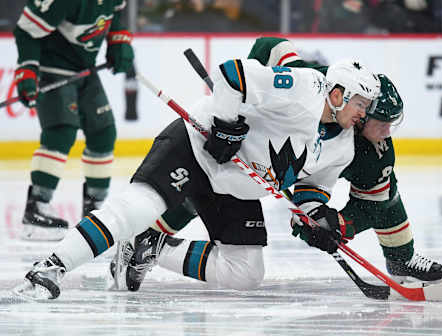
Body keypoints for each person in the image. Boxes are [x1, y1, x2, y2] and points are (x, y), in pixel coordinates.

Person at [13, 47, 381, 299]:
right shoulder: (305, 87)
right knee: (139, 207)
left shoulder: (343, 146)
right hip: (197, 149)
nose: (363, 114)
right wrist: (225, 125)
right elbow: (233, 73)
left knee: (246, 272)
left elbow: (312, 189)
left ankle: (150, 245)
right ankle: (50, 268)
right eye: (361, 104)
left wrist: (319, 220)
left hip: (238, 186)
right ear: (337, 94)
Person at [111, 37, 442, 292]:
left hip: (284, 166)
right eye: (381, 121)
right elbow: (269, 46)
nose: (387, 132)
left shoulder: (375, 154)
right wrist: (242, 111)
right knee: (204, 184)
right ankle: (146, 239)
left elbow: (374, 206)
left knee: (388, 195)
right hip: (259, 149)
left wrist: (333, 223)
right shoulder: (315, 85)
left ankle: (402, 258)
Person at [13, 0, 134, 241]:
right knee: (61, 132)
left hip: (84, 70)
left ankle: (95, 210)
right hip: (53, 68)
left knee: (103, 133)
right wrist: (26, 70)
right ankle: (36, 207)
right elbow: (26, 30)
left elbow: (115, 15)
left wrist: (118, 41)